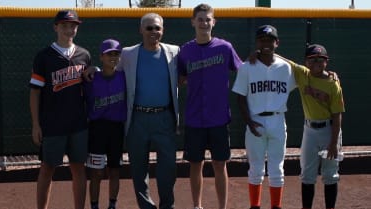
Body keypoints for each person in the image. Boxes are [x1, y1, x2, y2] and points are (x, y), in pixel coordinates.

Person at [177, 4, 243, 209]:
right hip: (195, 117)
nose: (204, 23)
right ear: (193, 22)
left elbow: (243, 70)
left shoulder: (225, 47)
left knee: (219, 164)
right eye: (200, 19)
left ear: (214, 22)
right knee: (195, 165)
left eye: (208, 19)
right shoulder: (185, 51)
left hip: (219, 117)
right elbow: (180, 78)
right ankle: (197, 205)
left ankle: (221, 207)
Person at [115, 13, 180, 209]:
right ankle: (146, 206)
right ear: (140, 29)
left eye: (157, 28)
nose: (153, 32)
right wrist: (95, 71)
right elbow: (112, 72)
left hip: (165, 118)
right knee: (138, 168)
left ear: (163, 30)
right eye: (149, 28)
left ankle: (167, 205)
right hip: (137, 118)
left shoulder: (175, 52)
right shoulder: (127, 54)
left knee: (168, 168)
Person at [29, 10, 90, 209]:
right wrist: (36, 124)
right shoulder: (43, 56)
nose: (69, 29)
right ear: (56, 27)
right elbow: (35, 92)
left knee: (79, 169)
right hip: (52, 124)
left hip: (78, 124)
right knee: (47, 169)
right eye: (64, 25)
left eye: (73, 25)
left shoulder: (84, 55)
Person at [232, 25, 296, 209]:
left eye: (270, 40)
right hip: (255, 119)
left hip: (277, 119)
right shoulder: (247, 67)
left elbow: (303, 77)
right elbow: (240, 97)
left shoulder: (286, 68)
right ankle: (255, 206)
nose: (266, 43)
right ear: (257, 42)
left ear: (277, 42)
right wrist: (249, 122)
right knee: (255, 170)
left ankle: (276, 206)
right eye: (262, 40)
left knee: (277, 170)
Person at [282, 44, 345, 209]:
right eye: (312, 59)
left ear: (327, 62)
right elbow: (283, 60)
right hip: (309, 131)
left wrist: (333, 143)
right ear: (306, 62)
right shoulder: (303, 74)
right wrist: (260, 53)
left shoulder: (333, 84)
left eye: (320, 59)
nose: (316, 62)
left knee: (330, 174)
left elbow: (337, 115)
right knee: (307, 175)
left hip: (329, 131)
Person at [84, 39, 127, 209]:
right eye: (109, 54)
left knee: (114, 170)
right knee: (96, 172)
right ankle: (94, 205)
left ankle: (112, 205)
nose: (113, 57)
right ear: (101, 56)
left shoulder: (124, 77)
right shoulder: (91, 78)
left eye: (116, 54)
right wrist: (92, 69)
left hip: (117, 129)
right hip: (97, 129)